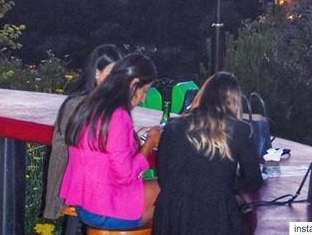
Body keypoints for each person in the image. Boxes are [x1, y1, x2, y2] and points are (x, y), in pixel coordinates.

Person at [152, 72, 263, 235]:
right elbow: (253, 181)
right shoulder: (239, 129)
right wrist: (227, 180)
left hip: (170, 220)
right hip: (215, 219)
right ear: (234, 100)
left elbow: (164, 177)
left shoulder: (173, 126)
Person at [60, 53, 160, 229]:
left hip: (85, 205)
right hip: (106, 211)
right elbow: (126, 176)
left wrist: (133, 137)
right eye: (145, 91)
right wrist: (149, 145)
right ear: (133, 83)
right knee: (175, 192)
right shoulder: (118, 116)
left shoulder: (91, 104)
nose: (144, 98)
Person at [43, 44, 123, 219]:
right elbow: (63, 153)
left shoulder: (107, 102)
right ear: (96, 73)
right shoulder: (79, 106)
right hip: (82, 191)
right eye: (111, 74)